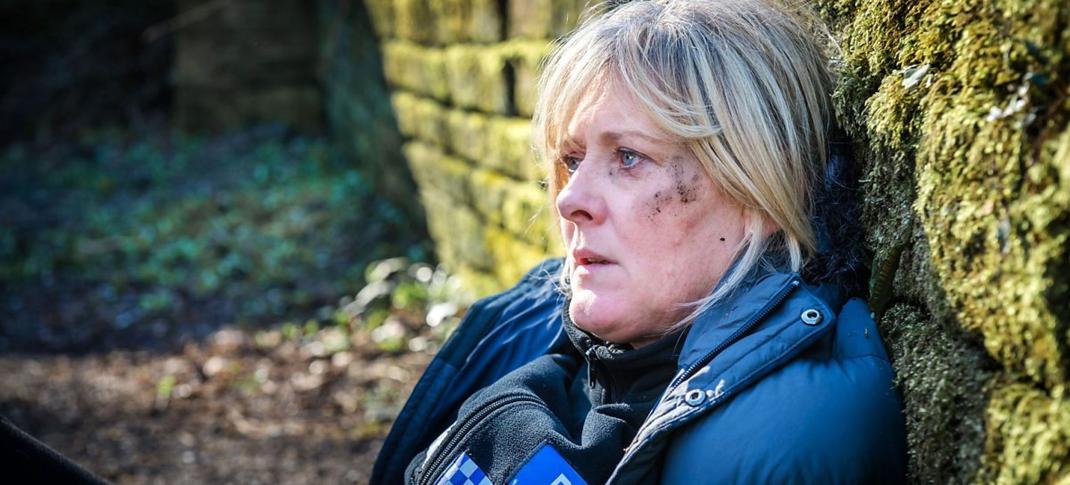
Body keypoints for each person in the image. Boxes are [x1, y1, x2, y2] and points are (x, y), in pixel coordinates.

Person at [371, 0, 908, 483]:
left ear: (761, 192)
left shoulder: (783, 438)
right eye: (573, 160)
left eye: (629, 157)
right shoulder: (529, 319)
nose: (568, 199)